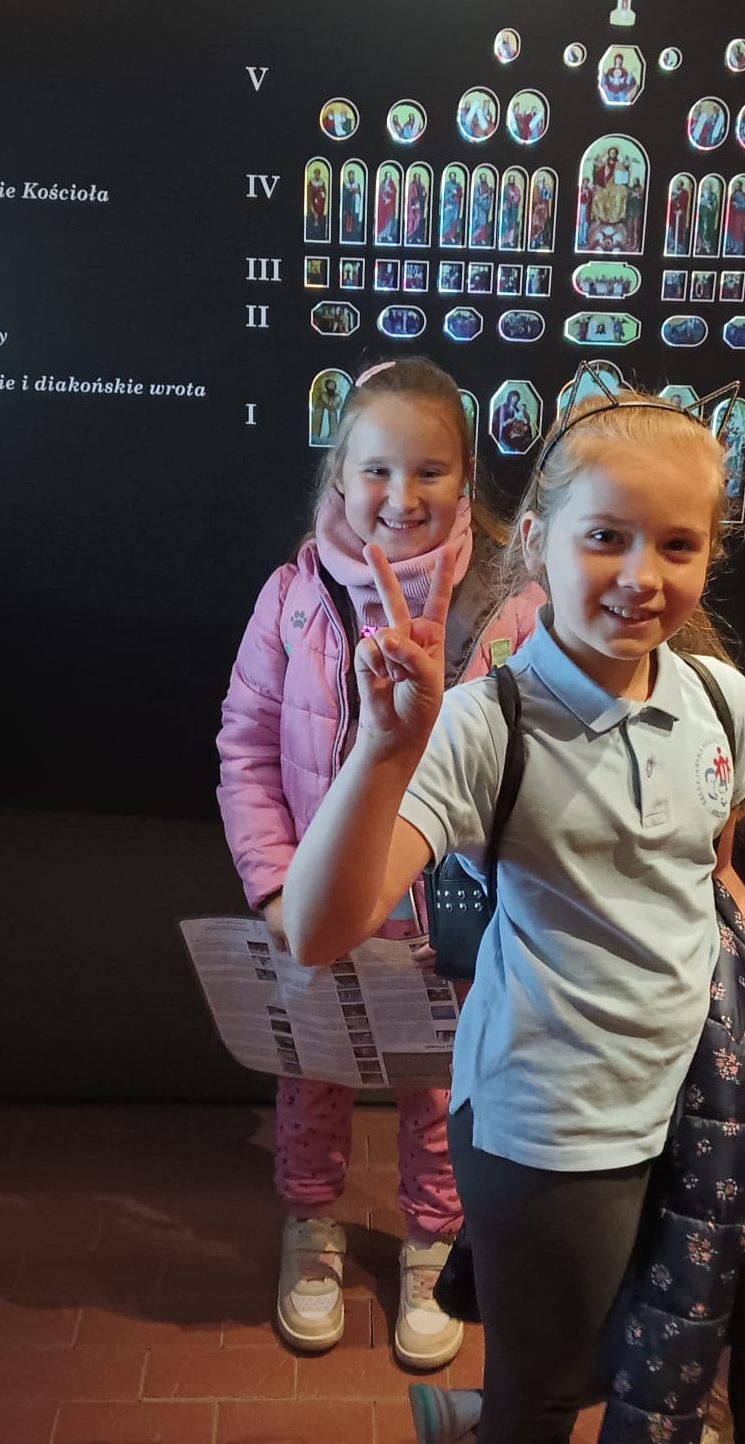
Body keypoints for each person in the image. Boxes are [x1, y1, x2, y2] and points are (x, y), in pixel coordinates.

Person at [283, 381, 745, 1442]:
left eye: (677, 544)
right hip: (552, 1124)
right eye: (606, 537)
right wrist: (385, 750)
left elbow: (710, 878)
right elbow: (318, 930)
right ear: (536, 539)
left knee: (647, 1344)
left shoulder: (720, 699)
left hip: (692, 1103)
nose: (641, 575)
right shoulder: (484, 724)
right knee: (542, 1387)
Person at [218, 357, 546, 1369]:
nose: (402, 495)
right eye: (377, 470)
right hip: (321, 909)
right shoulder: (294, 598)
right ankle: (311, 1224)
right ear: (341, 475)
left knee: (440, 1092)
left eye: (430, 471)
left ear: (466, 479)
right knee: (311, 1076)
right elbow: (247, 747)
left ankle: (432, 1242)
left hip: (451, 924)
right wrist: (277, 884)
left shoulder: (510, 609)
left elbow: (538, 769)